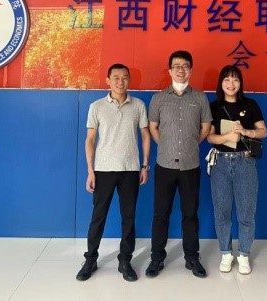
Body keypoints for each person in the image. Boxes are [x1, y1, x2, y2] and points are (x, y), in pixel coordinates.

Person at [76, 63, 151, 282]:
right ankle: (90, 259)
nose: (120, 81)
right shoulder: (96, 106)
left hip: (130, 170)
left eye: (124, 77)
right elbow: (90, 140)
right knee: (98, 217)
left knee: (128, 217)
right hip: (103, 170)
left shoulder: (138, 105)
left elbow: (145, 135)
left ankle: (125, 260)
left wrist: (145, 165)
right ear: (108, 80)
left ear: (129, 80)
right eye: (116, 77)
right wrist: (90, 171)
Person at [145, 50, 212, 278]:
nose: (180, 70)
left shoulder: (200, 98)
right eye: (176, 66)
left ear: (191, 70)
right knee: (160, 214)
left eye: (185, 66)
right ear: (170, 70)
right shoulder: (158, 98)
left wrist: (191, 144)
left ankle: (192, 257)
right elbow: (153, 127)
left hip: (190, 166)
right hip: (164, 165)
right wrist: (166, 145)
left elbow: (205, 127)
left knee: (190, 214)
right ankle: (156, 258)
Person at [206, 65, 267, 275]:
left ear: (240, 83)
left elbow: (263, 131)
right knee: (222, 211)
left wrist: (246, 132)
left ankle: (243, 254)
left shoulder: (250, 104)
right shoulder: (214, 106)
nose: (231, 84)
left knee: (246, 212)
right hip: (220, 163)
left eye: (235, 80)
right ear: (221, 83)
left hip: (245, 162)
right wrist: (227, 137)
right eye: (227, 79)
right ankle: (226, 253)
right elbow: (210, 137)